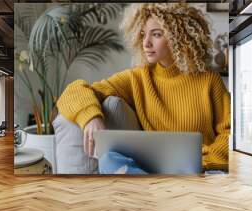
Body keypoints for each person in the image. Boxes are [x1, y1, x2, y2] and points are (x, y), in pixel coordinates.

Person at [56, 3, 230, 173]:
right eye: (143, 34)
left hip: (201, 168)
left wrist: (205, 162)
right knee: (109, 159)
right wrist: (91, 117)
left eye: (156, 34)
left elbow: (229, 132)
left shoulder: (209, 80)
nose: (146, 43)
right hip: (156, 169)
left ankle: (152, 192)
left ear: (179, 37)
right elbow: (74, 91)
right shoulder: (138, 78)